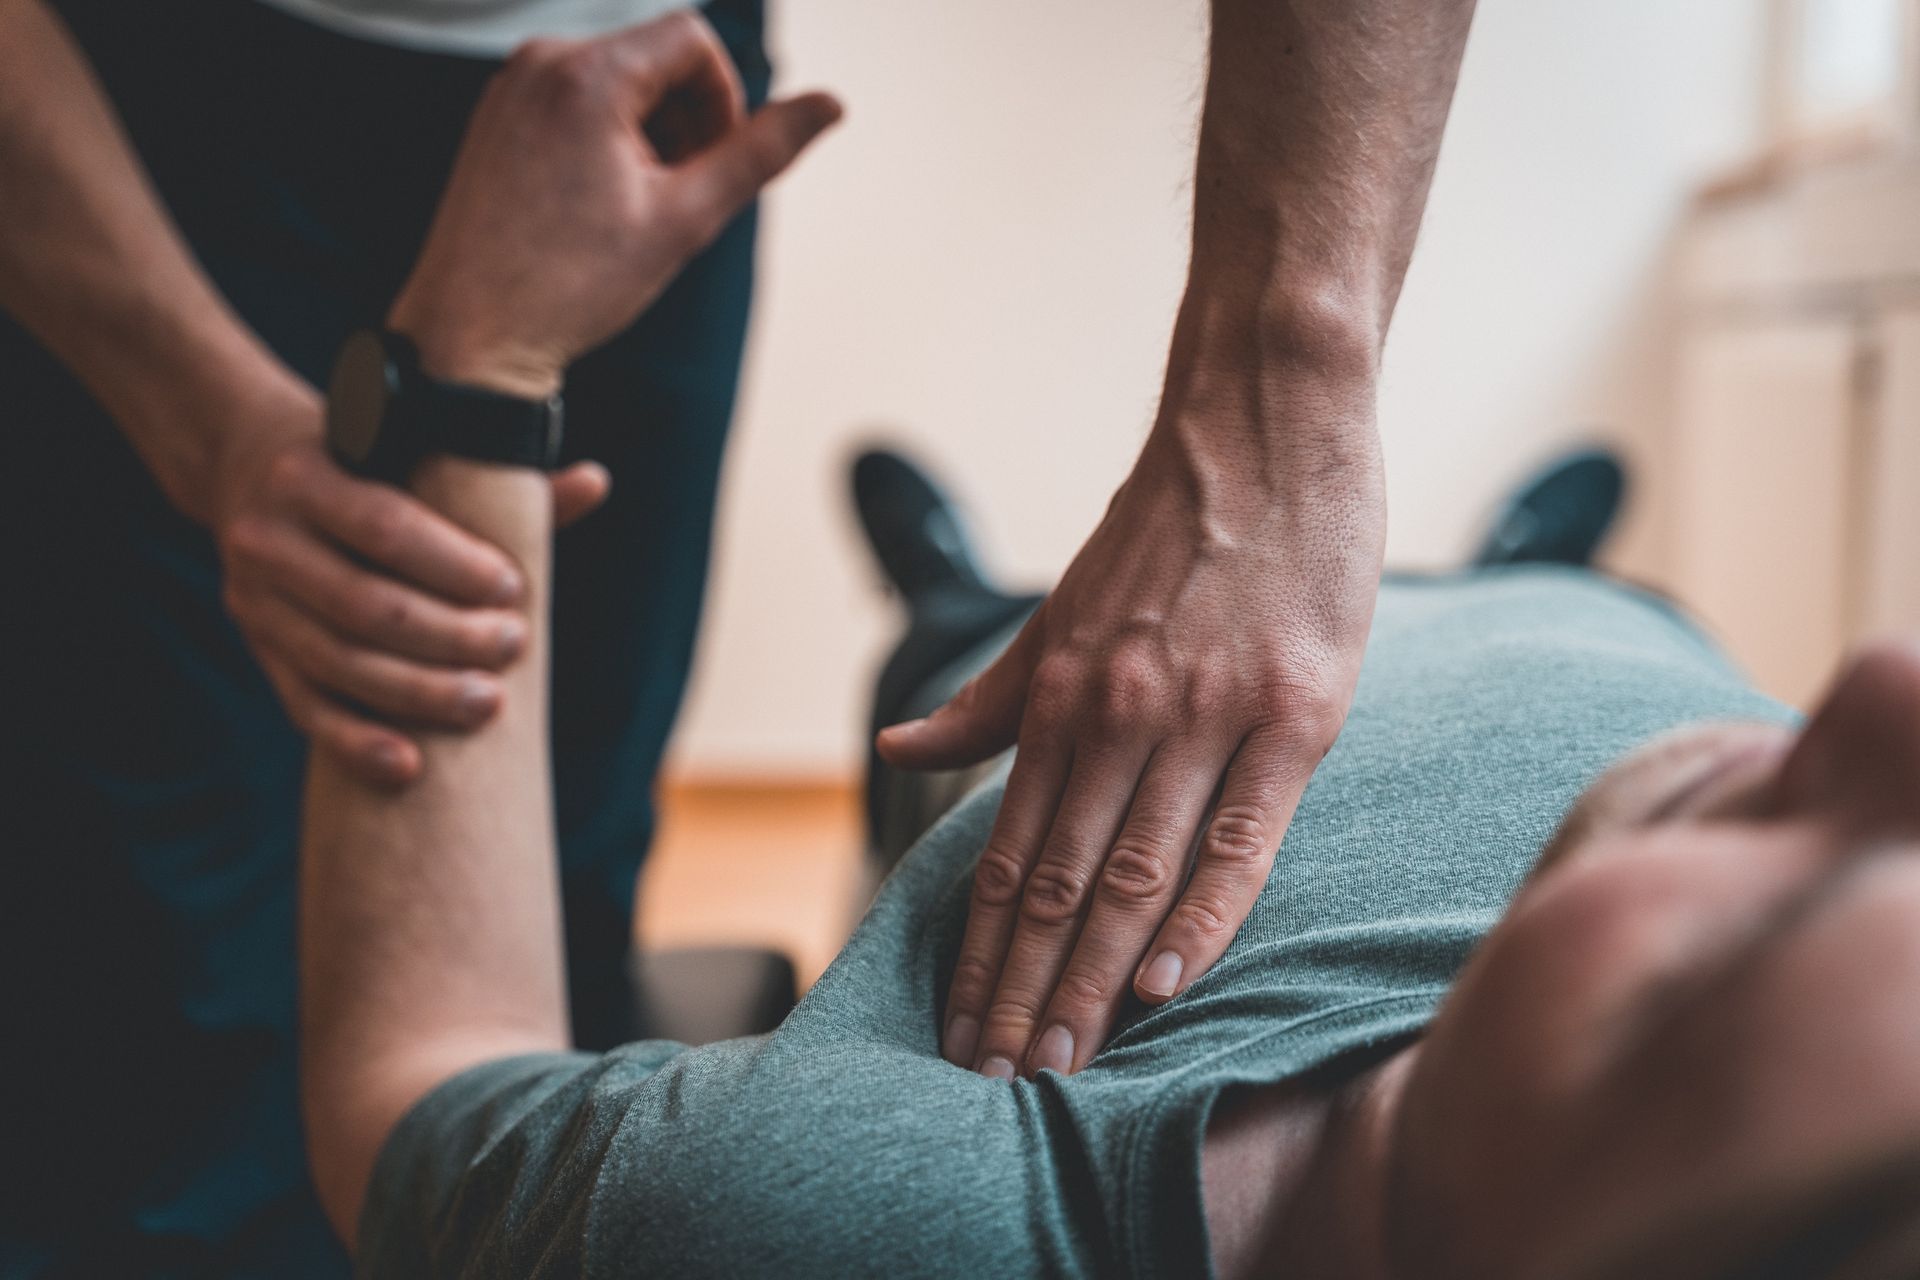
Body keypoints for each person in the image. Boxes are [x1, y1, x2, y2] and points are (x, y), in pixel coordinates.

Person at [2, 0, 1479, 1270]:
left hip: (639, 68)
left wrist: (477, 371)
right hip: (128, 99)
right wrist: (205, 404)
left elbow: (444, 1096)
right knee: (143, 971)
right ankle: (962, 595)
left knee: (549, 860)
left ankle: (947, 594)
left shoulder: (809, 1207)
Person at [298, 320, 1920, 1277]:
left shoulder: (878, 1210)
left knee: (951, 671)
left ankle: (938, 585)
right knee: (1564, 585)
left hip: (1055, 655)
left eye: (1752, 936)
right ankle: (1524, 560)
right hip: (1593, 628)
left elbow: (412, 1075)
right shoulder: (1689, 843)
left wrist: (478, 363)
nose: (1880, 682)